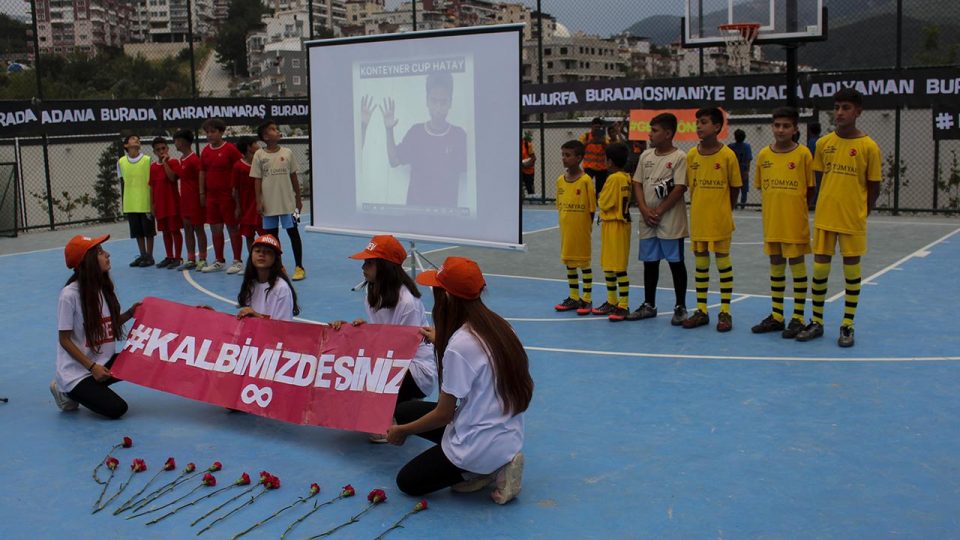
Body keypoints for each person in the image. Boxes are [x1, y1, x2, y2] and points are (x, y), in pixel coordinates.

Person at [387, 256, 532, 505]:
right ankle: (496, 461)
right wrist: (442, 339)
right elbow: (476, 354)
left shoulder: (459, 345)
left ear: (448, 297)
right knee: (406, 409)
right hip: (507, 434)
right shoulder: (500, 326)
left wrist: (402, 431)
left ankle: (482, 470)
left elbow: (444, 414)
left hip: (476, 446)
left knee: (408, 482)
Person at [330, 235, 438, 442]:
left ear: (385, 266)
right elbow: (383, 336)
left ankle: (395, 409)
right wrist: (357, 330)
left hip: (415, 368)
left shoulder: (407, 302)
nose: (363, 267)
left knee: (360, 375)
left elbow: (404, 347)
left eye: (369, 262)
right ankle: (396, 405)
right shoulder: (373, 295)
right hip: (391, 358)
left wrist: (367, 339)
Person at [796, 88, 882, 347]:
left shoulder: (869, 147)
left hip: (852, 220)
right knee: (820, 270)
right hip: (825, 218)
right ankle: (817, 322)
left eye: (846, 108)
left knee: (851, 273)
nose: (840, 112)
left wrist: (862, 212)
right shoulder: (823, 144)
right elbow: (820, 179)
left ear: (858, 111)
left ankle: (847, 325)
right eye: (837, 107)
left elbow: (874, 186)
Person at [50, 235, 140, 419]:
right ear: (87, 261)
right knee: (117, 408)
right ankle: (66, 391)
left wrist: (131, 313)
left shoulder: (102, 288)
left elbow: (106, 325)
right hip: (78, 373)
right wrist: (92, 368)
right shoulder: (69, 295)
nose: (107, 255)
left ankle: (89, 390)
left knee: (141, 360)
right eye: (100, 252)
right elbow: (64, 340)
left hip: (101, 362)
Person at [750, 107, 816, 338]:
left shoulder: (804, 155)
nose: (781, 129)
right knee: (776, 264)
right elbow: (761, 187)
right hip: (772, 222)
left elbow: (809, 189)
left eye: (786, 126)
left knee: (797, 266)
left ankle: (797, 317)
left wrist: (797, 210)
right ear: (772, 127)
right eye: (777, 125)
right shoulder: (764, 156)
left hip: (794, 222)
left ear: (795, 129)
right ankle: (777, 315)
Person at [682, 107, 742, 332]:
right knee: (701, 265)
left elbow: (735, 188)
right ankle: (702, 310)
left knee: (723, 264)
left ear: (717, 127)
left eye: (704, 122)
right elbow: (689, 186)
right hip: (699, 219)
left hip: (720, 220)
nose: (698, 126)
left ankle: (725, 311)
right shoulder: (692, 156)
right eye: (697, 122)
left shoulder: (728, 155)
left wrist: (725, 210)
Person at [627, 112, 689, 325]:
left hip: (670, 220)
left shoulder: (680, 157)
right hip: (648, 220)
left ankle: (680, 306)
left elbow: (680, 187)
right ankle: (649, 304)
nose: (650, 134)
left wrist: (660, 210)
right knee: (650, 263)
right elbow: (636, 182)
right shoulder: (646, 156)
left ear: (668, 133)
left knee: (676, 263)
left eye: (654, 130)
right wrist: (644, 209)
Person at [382, 72, 468, 208]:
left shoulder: (459, 136)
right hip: (415, 217)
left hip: (447, 221)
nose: (438, 108)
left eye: (443, 102)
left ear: (450, 102)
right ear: (427, 101)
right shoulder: (416, 133)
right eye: (434, 101)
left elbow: (476, 169)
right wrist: (388, 129)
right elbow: (394, 161)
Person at [251, 120, 306, 281]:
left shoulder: (287, 152)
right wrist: (258, 202)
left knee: (294, 233)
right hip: (268, 206)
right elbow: (257, 180)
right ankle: (278, 267)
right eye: (273, 129)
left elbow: (294, 176)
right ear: (266, 136)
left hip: (289, 205)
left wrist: (298, 199)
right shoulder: (259, 155)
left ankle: (299, 267)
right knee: (271, 238)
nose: (277, 131)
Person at [553, 140, 596, 315]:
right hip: (566, 230)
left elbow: (592, 209)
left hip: (581, 230)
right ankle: (573, 296)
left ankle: (586, 299)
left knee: (583, 263)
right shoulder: (560, 181)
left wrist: (586, 226)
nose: (564, 158)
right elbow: (559, 206)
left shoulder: (586, 180)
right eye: (563, 154)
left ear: (579, 157)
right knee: (569, 263)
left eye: (568, 155)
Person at [592, 142, 632, 321]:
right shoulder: (626, 177)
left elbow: (605, 202)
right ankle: (612, 301)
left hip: (615, 223)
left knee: (617, 267)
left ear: (609, 161)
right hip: (616, 224)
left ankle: (623, 304)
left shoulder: (614, 179)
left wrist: (600, 197)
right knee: (609, 265)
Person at [199, 118, 244, 274]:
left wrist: (235, 190)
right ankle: (219, 260)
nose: (209, 135)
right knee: (215, 228)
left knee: (232, 227)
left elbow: (240, 168)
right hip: (212, 197)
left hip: (228, 196)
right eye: (207, 132)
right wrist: (202, 192)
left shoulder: (230, 149)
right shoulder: (205, 151)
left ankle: (237, 261)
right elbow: (202, 172)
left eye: (213, 131)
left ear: (221, 132)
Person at [236, 234, 300, 321]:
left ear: (275, 259)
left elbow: (282, 327)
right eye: (258, 251)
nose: (261, 254)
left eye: (268, 252)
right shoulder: (250, 283)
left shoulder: (281, 288)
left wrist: (256, 315)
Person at [170, 129, 208, 271]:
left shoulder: (194, 159)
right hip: (184, 200)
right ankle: (191, 258)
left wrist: (201, 195)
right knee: (187, 228)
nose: (175, 144)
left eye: (176, 141)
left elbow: (201, 177)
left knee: (198, 228)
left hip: (195, 200)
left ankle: (203, 258)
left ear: (182, 142)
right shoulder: (182, 160)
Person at [117, 134, 155, 267]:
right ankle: (143, 254)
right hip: (131, 202)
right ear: (126, 145)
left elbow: (152, 181)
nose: (136, 140)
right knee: (137, 231)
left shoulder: (147, 160)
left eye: (137, 139)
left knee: (148, 231)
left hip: (145, 201)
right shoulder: (121, 162)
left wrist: (152, 203)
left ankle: (150, 256)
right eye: (132, 138)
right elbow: (124, 180)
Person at [149, 136, 183, 269]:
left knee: (175, 230)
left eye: (163, 148)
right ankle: (169, 256)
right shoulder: (152, 167)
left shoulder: (173, 162)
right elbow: (151, 186)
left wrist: (165, 163)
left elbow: (172, 177)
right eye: (158, 150)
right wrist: (152, 204)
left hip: (172, 203)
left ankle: (177, 257)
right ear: (154, 152)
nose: (161, 151)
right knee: (165, 231)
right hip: (160, 204)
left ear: (168, 149)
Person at [233, 136, 262, 254]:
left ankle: (272, 262)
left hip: (261, 204)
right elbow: (235, 189)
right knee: (249, 235)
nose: (258, 144)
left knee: (266, 235)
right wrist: (238, 207)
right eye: (254, 143)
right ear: (249, 147)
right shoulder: (238, 166)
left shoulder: (261, 162)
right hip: (246, 206)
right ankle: (253, 261)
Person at [579, 117, 609, 197]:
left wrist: (603, 143)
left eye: (599, 127)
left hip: (601, 167)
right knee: (586, 185)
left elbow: (608, 149)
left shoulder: (603, 138)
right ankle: (587, 199)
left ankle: (598, 201)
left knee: (600, 188)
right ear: (591, 126)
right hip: (589, 166)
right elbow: (579, 147)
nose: (597, 129)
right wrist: (589, 142)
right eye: (595, 127)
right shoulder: (586, 136)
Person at [728, 129, 753, 209]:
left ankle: (734, 205)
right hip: (743, 170)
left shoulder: (731, 146)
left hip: (734, 170)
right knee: (744, 190)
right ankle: (742, 206)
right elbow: (748, 160)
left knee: (733, 188)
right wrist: (747, 171)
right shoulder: (747, 147)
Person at [807, 122, 823, 204]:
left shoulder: (811, 142)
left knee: (815, 184)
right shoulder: (821, 141)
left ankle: (813, 201)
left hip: (813, 166)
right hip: (821, 166)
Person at [520, 131, 536, 197]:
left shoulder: (527, 145)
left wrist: (524, 165)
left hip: (527, 170)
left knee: (529, 189)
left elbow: (533, 158)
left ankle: (531, 200)